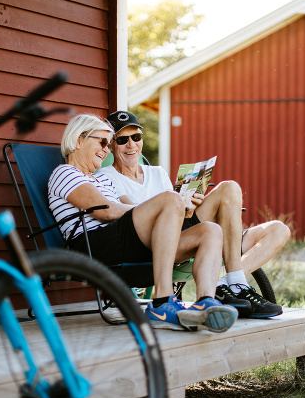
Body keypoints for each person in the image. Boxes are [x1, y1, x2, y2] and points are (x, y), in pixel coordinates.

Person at [48, 113, 238, 333]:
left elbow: (120, 213)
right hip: (94, 245)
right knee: (170, 198)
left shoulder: (97, 179)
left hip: (124, 242)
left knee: (210, 231)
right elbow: (107, 212)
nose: (106, 150)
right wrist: (159, 209)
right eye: (102, 142)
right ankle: (162, 303)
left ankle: (206, 302)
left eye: (108, 145)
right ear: (79, 140)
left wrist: (173, 210)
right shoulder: (65, 172)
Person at [97, 110, 290, 319]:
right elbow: (135, 216)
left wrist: (190, 203)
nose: (131, 145)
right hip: (155, 242)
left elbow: (175, 210)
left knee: (234, 192)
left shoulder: (157, 172)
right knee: (201, 212)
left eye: (136, 137)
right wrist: (181, 206)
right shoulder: (107, 176)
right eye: (123, 140)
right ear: (111, 145)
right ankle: (233, 286)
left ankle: (233, 283)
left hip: (183, 228)